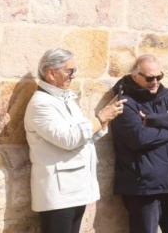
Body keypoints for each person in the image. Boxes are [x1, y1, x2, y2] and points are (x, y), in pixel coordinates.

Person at [24, 49, 125, 233]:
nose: (73, 76)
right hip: (58, 193)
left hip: (76, 189)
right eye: (69, 71)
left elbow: (83, 136)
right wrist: (100, 118)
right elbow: (68, 139)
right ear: (51, 73)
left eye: (74, 70)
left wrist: (104, 122)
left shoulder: (67, 99)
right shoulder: (41, 104)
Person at [111, 55, 168, 233]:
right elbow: (138, 138)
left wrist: (151, 119)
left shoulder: (166, 97)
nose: (155, 82)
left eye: (159, 76)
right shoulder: (125, 103)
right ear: (135, 76)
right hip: (144, 189)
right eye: (149, 78)